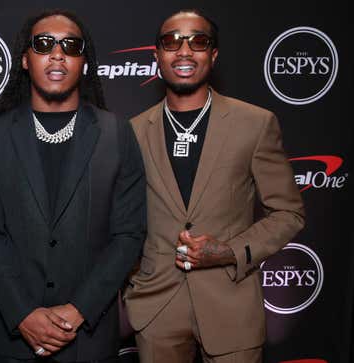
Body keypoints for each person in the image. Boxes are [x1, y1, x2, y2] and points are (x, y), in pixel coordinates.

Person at [123, 9, 305, 363]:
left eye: (199, 41)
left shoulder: (255, 124)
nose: (185, 51)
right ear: (157, 55)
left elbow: (288, 212)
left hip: (232, 305)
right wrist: (133, 281)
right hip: (156, 308)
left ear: (213, 55)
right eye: (172, 42)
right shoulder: (131, 131)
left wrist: (230, 251)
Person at [0, 9, 146, 363]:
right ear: (24, 59)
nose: (57, 53)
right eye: (43, 44)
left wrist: (79, 310)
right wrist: (23, 314)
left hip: (90, 339)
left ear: (83, 61)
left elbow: (129, 234)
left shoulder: (116, 133)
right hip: (16, 340)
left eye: (70, 45)